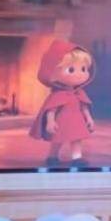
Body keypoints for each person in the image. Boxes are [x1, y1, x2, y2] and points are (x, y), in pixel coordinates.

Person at [29, 40, 96, 168]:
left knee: (77, 139)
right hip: (61, 121)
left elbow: (84, 107)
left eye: (83, 69)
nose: (79, 74)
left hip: (77, 121)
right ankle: (52, 156)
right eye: (71, 70)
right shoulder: (58, 94)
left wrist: (89, 119)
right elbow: (51, 109)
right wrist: (50, 121)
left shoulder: (79, 93)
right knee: (57, 140)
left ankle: (77, 157)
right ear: (53, 74)